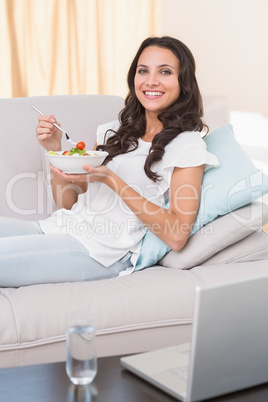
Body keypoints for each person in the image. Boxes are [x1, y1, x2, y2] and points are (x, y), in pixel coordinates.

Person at [0, 36, 219, 287]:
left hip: (102, 252)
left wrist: (112, 180)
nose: (151, 81)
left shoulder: (187, 145)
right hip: (58, 228)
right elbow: (69, 205)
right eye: (143, 70)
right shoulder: (113, 131)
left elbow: (178, 235)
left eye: (165, 72)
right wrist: (56, 151)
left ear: (183, 82)